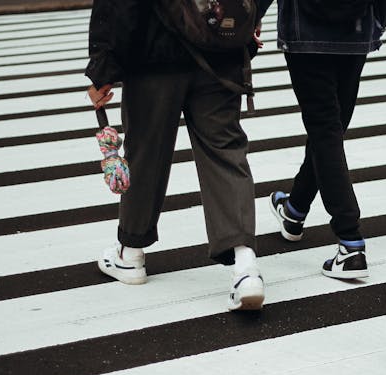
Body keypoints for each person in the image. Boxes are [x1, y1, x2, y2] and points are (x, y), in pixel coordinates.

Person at [85, 0, 265, 311]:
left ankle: (131, 253)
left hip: (152, 58)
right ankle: (245, 265)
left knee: (146, 153)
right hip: (219, 55)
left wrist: (103, 68)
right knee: (225, 153)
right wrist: (247, 23)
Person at [260, 0, 386, 279]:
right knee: (330, 131)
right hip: (356, 28)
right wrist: (376, 22)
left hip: (305, 32)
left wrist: (250, 18)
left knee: (325, 131)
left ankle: (350, 241)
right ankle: (294, 210)